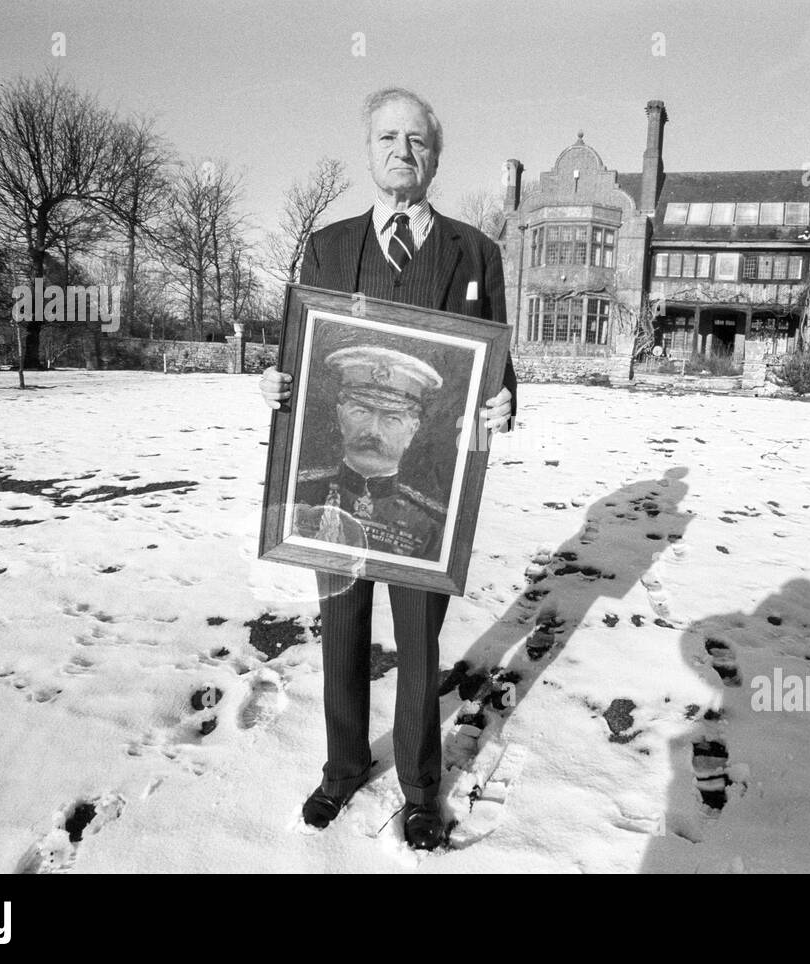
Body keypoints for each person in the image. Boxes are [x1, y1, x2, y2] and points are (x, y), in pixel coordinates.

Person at [259, 87, 516, 850]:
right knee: (341, 628)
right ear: (367, 151)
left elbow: (499, 366)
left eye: (418, 141)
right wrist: (276, 383)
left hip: (426, 498)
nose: (402, 152)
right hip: (332, 494)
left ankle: (419, 787)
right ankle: (341, 767)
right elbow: (299, 357)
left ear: (436, 156)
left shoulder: (477, 253)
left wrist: (505, 400)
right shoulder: (328, 247)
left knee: (419, 647)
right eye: (387, 139)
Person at [292, 345, 447, 562]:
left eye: (392, 418)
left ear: (412, 430)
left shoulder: (431, 525)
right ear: (340, 417)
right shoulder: (299, 494)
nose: (373, 431)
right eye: (361, 412)